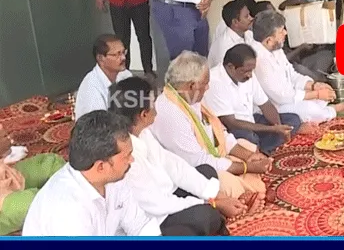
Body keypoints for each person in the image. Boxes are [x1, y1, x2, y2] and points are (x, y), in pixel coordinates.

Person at [109, 77, 246, 236]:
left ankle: (214, 218)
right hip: (153, 218)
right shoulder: (125, 156)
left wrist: (214, 194)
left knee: (206, 172)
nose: (157, 111)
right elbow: (157, 204)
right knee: (207, 216)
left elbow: (173, 165)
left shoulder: (143, 133)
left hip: (165, 197)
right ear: (143, 115)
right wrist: (212, 203)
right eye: (154, 106)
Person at [148, 51, 270, 201]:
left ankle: (250, 191)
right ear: (192, 85)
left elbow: (219, 134)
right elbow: (198, 162)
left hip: (211, 156)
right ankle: (246, 195)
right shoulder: (171, 112)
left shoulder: (190, 98)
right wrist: (246, 167)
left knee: (248, 146)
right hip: (193, 172)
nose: (207, 88)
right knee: (231, 184)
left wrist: (249, 157)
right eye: (205, 83)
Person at [23, 110, 161, 236]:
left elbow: (140, 225)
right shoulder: (68, 211)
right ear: (101, 166)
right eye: (127, 156)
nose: (132, 160)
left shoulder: (114, 177)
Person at [249, 10, 344, 124]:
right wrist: (316, 94)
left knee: (322, 94)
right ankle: (334, 110)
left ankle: (324, 112)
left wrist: (314, 86)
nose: (285, 33)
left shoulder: (275, 47)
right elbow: (281, 97)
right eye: (281, 31)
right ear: (269, 40)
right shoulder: (259, 60)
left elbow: (292, 75)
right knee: (311, 109)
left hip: (289, 95)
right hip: (275, 106)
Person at [203, 44, 302, 155]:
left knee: (293, 120)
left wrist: (279, 127)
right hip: (232, 130)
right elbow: (231, 123)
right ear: (231, 67)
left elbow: (265, 105)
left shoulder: (248, 74)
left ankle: (260, 149)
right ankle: (258, 148)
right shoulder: (215, 82)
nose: (250, 75)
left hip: (252, 121)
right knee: (249, 138)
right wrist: (272, 130)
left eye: (252, 70)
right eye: (245, 71)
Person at [0, 125, 65, 235]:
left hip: (6, 177)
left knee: (51, 162)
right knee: (38, 203)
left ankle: (71, 195)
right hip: (2, 207)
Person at [74, 34, 134, 120]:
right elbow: (99, 127)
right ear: (101, 58)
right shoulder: (91, 89)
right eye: (117, 54)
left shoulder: (125, 75)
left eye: (124, 52)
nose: (123, 58)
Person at [207, 0, 253, 68]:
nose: (251, 18)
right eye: (246, 16)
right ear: (235, 22)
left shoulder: (249, 34)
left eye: (249, 14)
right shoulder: (224, 46)